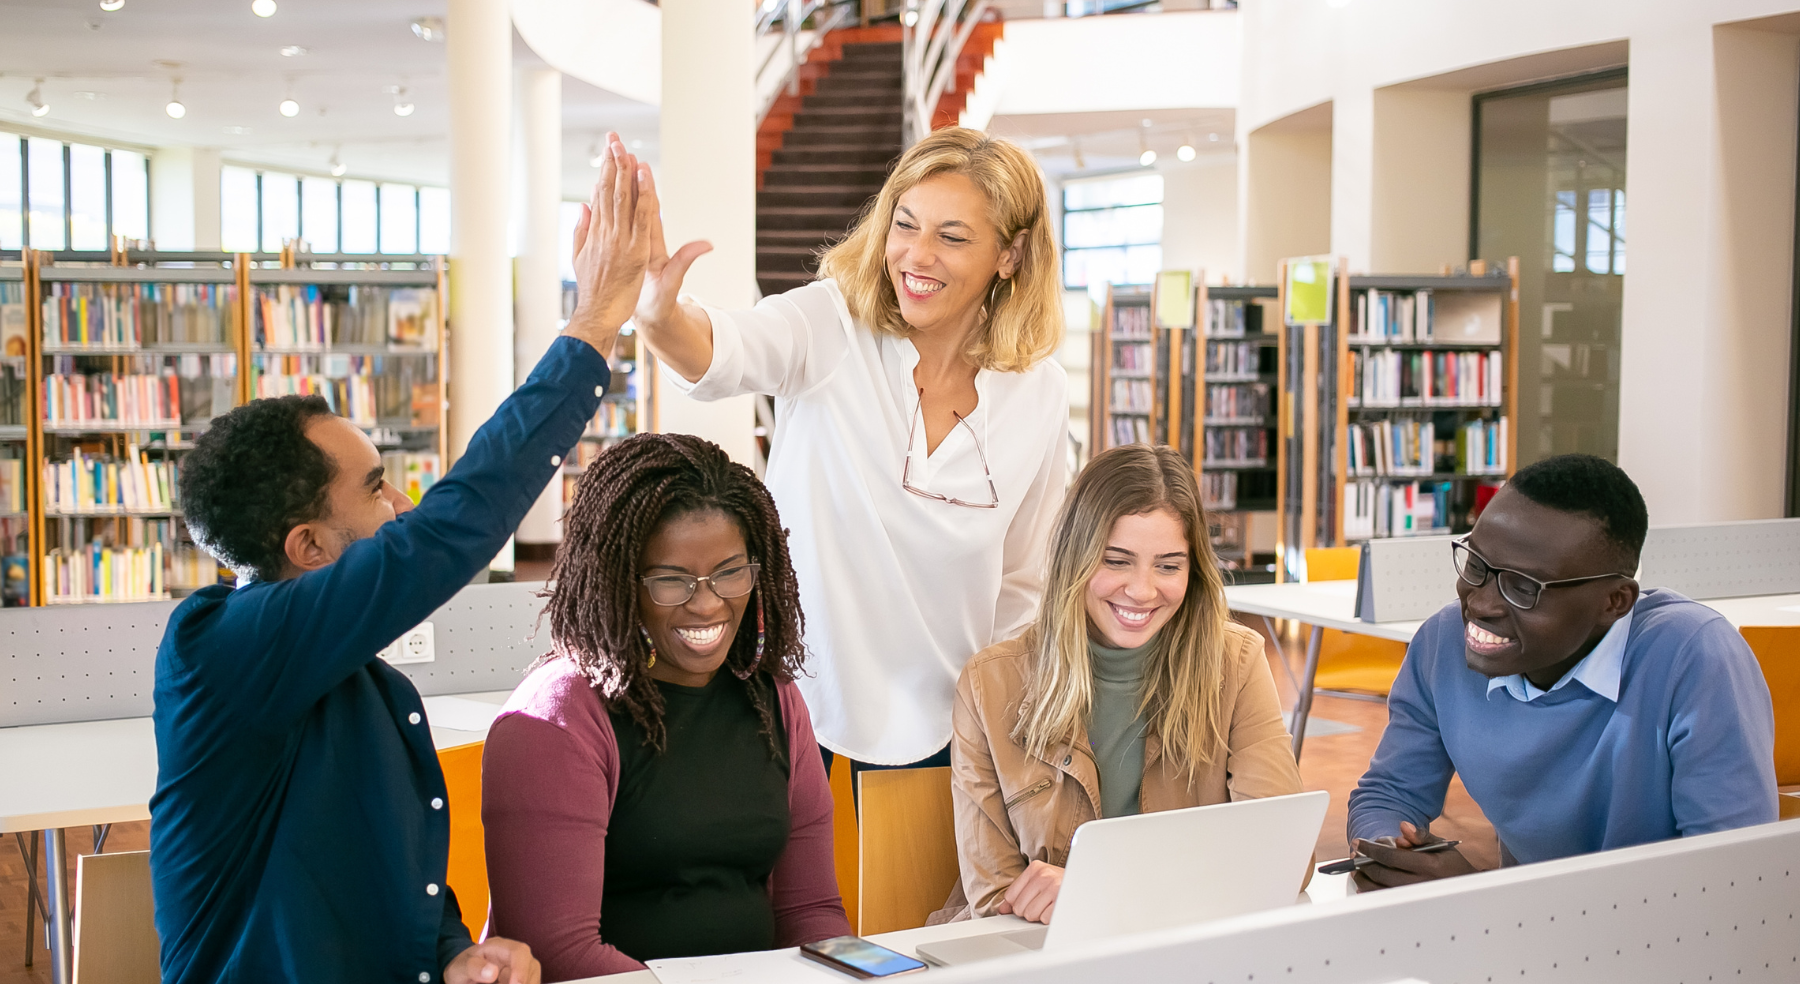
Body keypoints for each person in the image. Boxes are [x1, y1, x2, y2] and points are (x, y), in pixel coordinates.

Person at [148, 136, 654, 984]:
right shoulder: (220, 650)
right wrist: (593, 324)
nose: (403, 504)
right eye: (377, 488)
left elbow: (389, 877)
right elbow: (447, 531)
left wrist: (453, 955)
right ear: (308, 547)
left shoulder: (367, 686)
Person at [629, 127, 1070, 777]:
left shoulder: (1040, 392)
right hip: (793, 709)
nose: (916, 255)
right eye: (905, 224)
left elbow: (1025, 581)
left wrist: (999, 722)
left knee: (917, 856)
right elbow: (726, 349)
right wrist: (660, 317)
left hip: (949, 727)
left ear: (1011, 254)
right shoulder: (832, 325)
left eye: (952, 237)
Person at [481, 433, 850, 980]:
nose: (708, 603)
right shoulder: (554, 719)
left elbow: (811, 912)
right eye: (672, 581)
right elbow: (559, 953)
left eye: (730, 572)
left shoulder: (773, 699)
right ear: (617, 580)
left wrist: (853, 974)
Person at [1347, 453, 1778, 890]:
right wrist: (1388, 849)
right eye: (1476, 565)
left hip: (1657, 929)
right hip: (1528, 927)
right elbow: (1389, 793)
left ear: (1614, 602)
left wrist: (1477, 894)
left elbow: (1730, 882)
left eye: (1523, 588)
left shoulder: (1693, 657)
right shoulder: (1443, 642)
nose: (1481, 603)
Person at [936, 443, 1305, 924]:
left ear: (1193, 571)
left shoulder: (1236, 663)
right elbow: (995, 899)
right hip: (1041, 948)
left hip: (1185, 941)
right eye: (1116, 560)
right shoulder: (989, 685)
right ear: (1076, 558)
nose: (1142, 590)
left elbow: (1285, 857)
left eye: (1168, 565)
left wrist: (1102, 890)